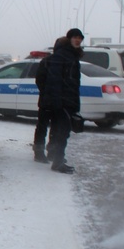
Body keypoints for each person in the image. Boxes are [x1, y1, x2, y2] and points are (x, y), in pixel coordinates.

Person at [38, 28, 84, 174]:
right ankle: (57, 161)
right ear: (69, 39)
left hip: (67, 101)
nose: (78, 40)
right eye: (75, 37)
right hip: (62, 101)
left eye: (80, 38)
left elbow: (73, 83)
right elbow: (54, 81)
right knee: (61, 131)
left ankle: (57, 158)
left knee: (61, 131)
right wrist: (58, 101)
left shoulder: (72, 56)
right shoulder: (62, 56)